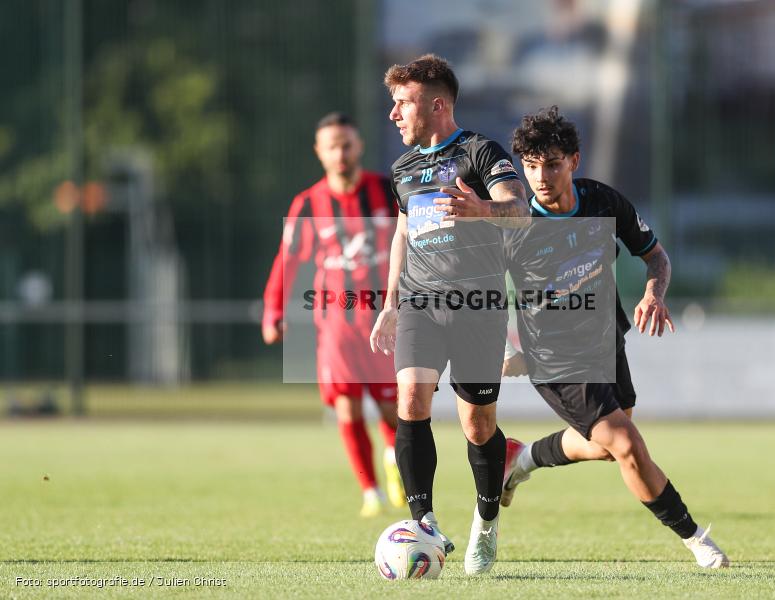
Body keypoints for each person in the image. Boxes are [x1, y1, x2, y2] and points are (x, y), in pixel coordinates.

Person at [500, 106, 729, 568]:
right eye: (530, 166)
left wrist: (653, 294)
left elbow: (657, 259)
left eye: (552, 163)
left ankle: (519, 460)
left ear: (574, 161)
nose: (540, 176)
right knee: (626, 445)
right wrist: (509, 349)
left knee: (606, 447)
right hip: (554, 357)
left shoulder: (604, 202)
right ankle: (695, 539)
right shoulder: (515, 227)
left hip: (607, 340)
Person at [369, 54, 530, 575]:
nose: (393, 114)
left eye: (403, 103)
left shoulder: (480, 152)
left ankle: (486, 523)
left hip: (478, 306)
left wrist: (483, 209)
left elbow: (520, 210)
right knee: (411, 397)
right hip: (420, 301)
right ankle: (426, 525)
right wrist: (391, 302)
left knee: (478, 425)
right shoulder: (402, 170)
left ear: (437, 104)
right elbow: (400, 234)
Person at [262, 112, 404, 518]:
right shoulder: (309, 204)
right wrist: (274, 309)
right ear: (319, 153)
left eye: (346, 144)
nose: (340, 153)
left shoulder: (387, 191)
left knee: (395, 410)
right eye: (332, 146)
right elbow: (287, 261)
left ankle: (397, 460)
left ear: (358, 146)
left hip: (384, 320)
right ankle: (370, 493)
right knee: (347, 405)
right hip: (337, 323)